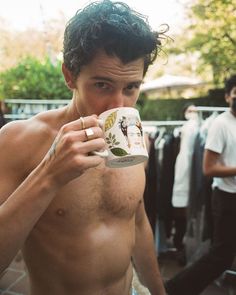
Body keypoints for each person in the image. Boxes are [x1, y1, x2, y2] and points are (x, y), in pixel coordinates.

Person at [0, 1, 167, 294]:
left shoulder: (137, 140)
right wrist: (49, 175)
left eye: (131, 88)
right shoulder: (17, 141)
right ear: (69, 76)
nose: (119, 105)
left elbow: (138, 223)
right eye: (102, 85)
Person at [165, 74, 236, 295]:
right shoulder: (220, 125)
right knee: (220, 256)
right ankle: (172, 290)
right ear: (227, 96)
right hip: (226, 198)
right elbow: (208, 169)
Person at [171, 104, 199, 265]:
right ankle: (181, 246)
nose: (193, 113)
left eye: (195, 110)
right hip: (184, 171)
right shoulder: (186, 129)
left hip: (193, 173)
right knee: (182, 213)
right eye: (189, 110)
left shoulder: (199, 128)